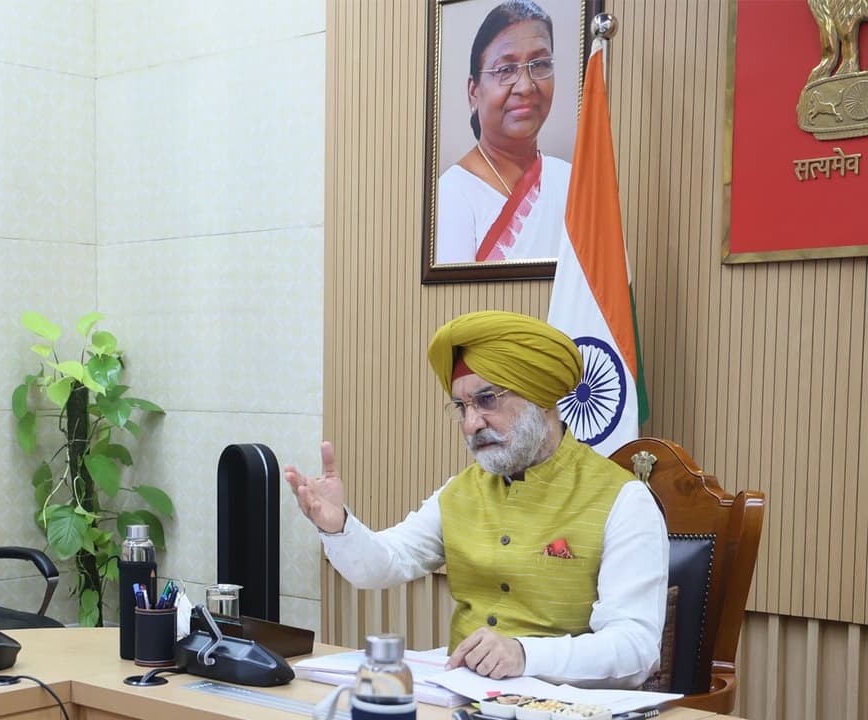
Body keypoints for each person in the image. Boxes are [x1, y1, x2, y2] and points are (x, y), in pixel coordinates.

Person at [285, 311, 668, 689]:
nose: (471, 425)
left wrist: (524, 654)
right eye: (461, 407)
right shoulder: (461, 490)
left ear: (541, 397)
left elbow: (635, 649)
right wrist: (337, 526)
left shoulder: (625, 501)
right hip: (457, 698)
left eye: (487, 400)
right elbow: (385, 564)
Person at [435, 0, 571, 263]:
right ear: (473, 92)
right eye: (506, 69)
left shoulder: (571, 181)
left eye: (540, 64)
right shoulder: (452, 195)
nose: (526, 86)